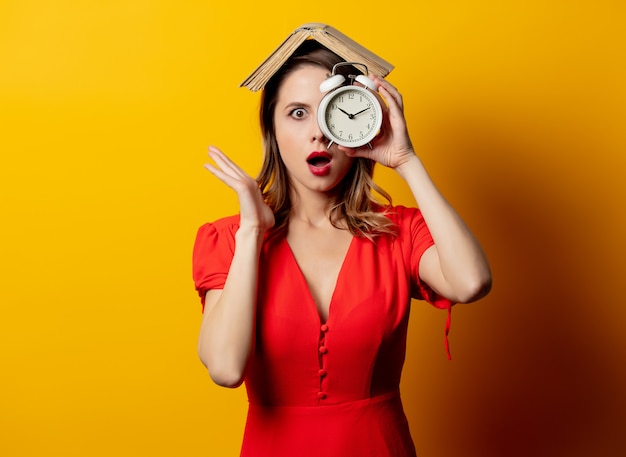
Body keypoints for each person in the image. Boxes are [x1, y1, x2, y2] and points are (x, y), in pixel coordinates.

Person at [192, 37, 492, 457]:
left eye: (335, 112)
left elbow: (472, 282)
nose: (318, 133)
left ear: (362, 121)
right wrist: (250, 233)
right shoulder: (228, 239)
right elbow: (224, 369)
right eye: (297, 113)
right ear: (272, 131)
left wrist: (406, 159)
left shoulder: (398, 232)